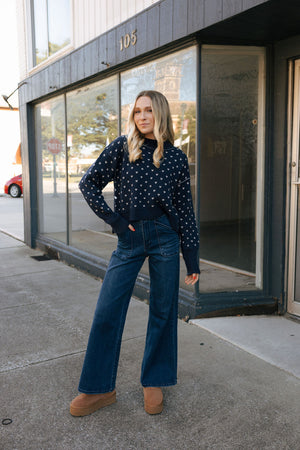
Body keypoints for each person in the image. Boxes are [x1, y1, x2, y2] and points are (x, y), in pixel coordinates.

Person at [70, 90, 200, 417]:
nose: (142, 117)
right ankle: (99, 389)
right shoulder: (121, 147)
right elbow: (89, 184)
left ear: (160, 115)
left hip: (165, 238)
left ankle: (154, 381)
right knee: (107, 311)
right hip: (128, 239)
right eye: (137, 111)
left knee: (163, 310)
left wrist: (192, 255)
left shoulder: (176, 157)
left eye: (149, 111)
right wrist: (114, 220)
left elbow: (185, 210)